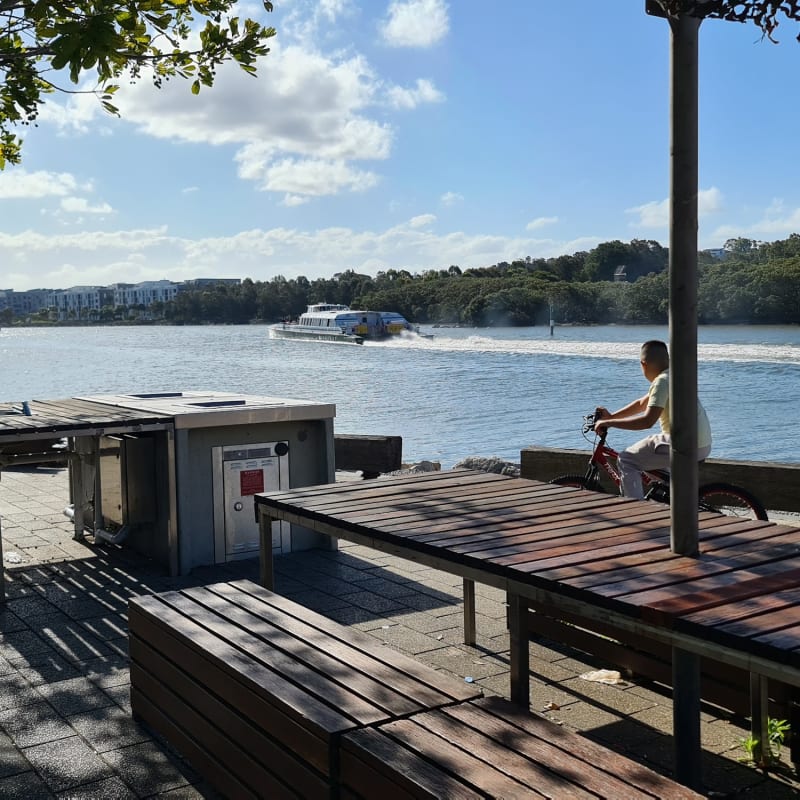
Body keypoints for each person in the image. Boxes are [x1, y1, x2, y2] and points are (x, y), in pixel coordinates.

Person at [593, 339, 712, 499]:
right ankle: (670, 500)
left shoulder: (661, 382)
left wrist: (608, 422)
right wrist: (612, 416)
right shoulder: (675, 375)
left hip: (682, 444)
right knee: (659, 472)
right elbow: (642, 403)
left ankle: (635, 510)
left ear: (643, 364)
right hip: (702, 445)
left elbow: (647, 421)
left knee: (626, 459)